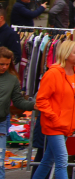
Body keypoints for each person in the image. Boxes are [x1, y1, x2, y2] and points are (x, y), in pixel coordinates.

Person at [32, 41, 75, 179]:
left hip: (67, 124)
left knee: (48, 161)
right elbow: (41, 100)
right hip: (54, 125)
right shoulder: (53, 73)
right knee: (62, 160)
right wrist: (55, 118)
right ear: (66, 54)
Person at [0, 46, 35, 179]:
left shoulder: (12, 79)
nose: (4, 67)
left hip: (1, 122)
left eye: (7, 64)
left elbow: (18, 101)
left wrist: (34, 105)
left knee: (0, 161)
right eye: (1, 64)